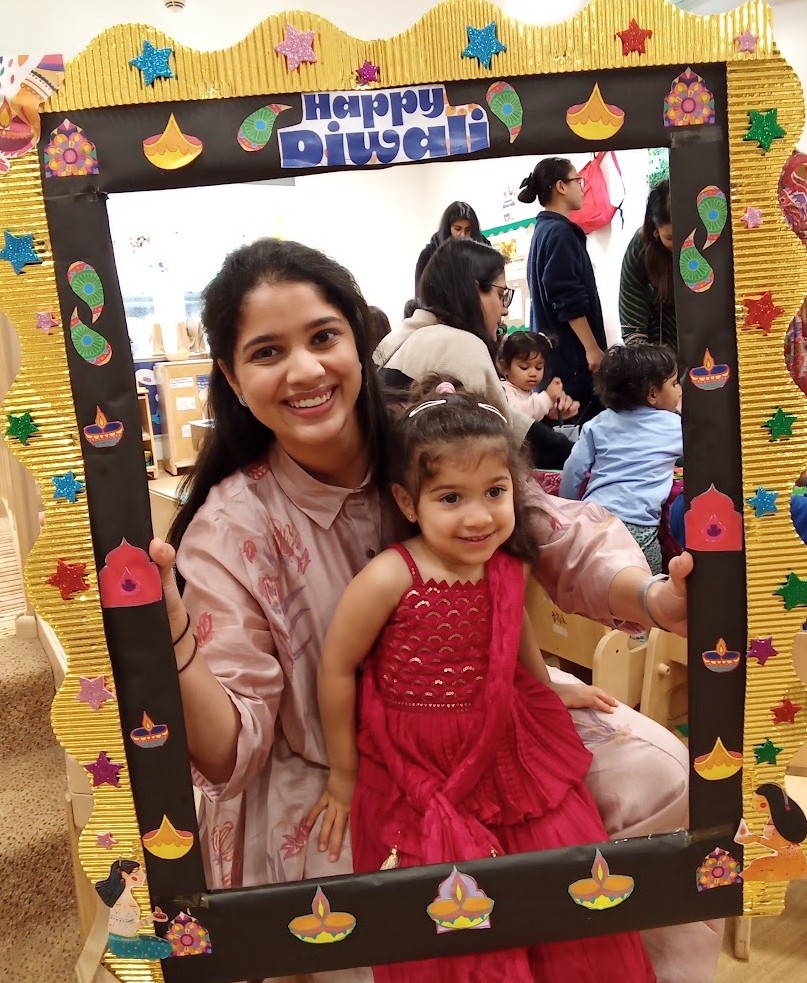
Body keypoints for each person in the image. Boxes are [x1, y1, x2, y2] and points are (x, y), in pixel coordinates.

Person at [148, 237, 718, 983]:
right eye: (267, 352)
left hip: (490, 713)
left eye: (323, 337)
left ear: (358, 340)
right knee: (394, 907)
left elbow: (550, 532)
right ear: (230, 374)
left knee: (664, 777)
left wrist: (649, 597)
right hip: (327, 760)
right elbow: (232, 745)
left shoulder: (425, 438)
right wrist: (172, 641)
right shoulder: (229, 527)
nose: (305, 370)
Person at [310, 382, 653, 983]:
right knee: (443, 909)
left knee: (557, 873)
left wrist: (546, 686)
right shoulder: (391, 575)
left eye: (495, 492)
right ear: (407, 501)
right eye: (451, 497)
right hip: (416, 758)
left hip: (508, 740)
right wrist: (343, 776)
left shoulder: (507, 563)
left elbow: (511, 627)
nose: (478, 516)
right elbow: (337, 667)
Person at [376, 236, 574, 470]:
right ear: (473, 290)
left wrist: (562, 447)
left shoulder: (401, 338)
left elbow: (507, 416)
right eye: (501, 295)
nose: (505, 309)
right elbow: (500, 434)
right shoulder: (460, 345)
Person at [559, 344, 682, 575]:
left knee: (591, 585)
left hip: (592, 519)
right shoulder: (675, 426)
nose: (680, 390)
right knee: (647, 587)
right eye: (674, 383)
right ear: (653, 394)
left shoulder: (597, 423)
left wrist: (568, 509)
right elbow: (702, 454)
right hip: (636, 526)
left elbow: (573, 468)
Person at [518, 157, 607, 423]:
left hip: (558, 361)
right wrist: (592, 348)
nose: (582, 187)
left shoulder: (544, 231)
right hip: (572, 363)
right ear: (561, 186)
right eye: (577, 180)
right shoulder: (560, 233)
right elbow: (566, 297)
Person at [619, 181, 677, 349]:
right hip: (659, 345)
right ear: (655, 230)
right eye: (670, 238)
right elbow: (631, 306)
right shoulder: (640, 247)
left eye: (683, 235)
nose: (680, 245)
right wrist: (646, 357)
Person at [94, 860, 172, 960]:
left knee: (164, 945)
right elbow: (127, 928)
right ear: (124, 874)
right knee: (165, 948)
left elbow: (130, 926)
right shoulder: (118, 901)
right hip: (122, 944)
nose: (142, 876)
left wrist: (152, 917)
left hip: (127, 939)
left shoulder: (124, 897)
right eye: (137, 872)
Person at [499, 329, 580, 423]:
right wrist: (547, 398)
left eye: (539, 368)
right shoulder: (503, 389)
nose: (533, 373)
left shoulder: (528, 391)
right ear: (504, 367)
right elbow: (516, 416)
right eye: (524, 367)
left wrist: (552, 411)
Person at [734, 783, 807, 881]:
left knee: (756, 868)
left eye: (760, 802)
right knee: (755, 865)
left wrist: (757, 839)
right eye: (753, 800)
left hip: (789, 861)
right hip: (785, 857)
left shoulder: (782, 822)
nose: (753, 805)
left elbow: (778, 845)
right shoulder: (774, 818)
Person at [414, 200, 490, 291]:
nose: (463, 235)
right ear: (448, 228)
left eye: (468, 230)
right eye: (457, 229)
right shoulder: (428, 255)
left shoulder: (484, 253)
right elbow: (421, 294)